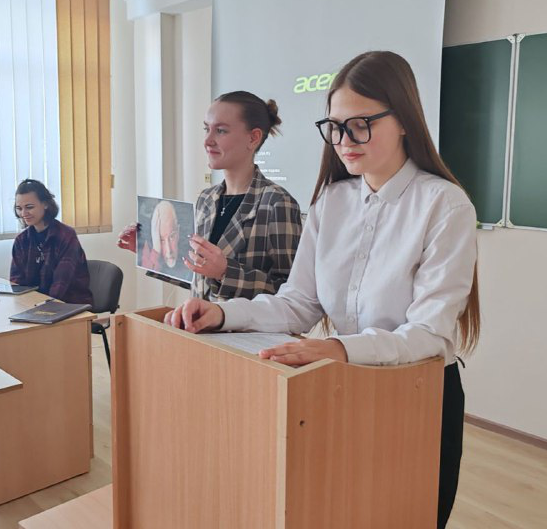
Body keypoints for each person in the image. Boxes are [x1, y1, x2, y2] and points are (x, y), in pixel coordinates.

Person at [165, 52, 480, 527]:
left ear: (404, 120)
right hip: (341, 386)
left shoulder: (444, 205)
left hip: (417, 397)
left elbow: (430, 334)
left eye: (361, 125)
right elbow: (299, 303)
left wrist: (338, 348)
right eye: (334, 127)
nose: (344, 141)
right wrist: (226, 314)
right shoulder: (332, 200)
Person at [118, 91, 303, 301]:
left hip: (243, 323)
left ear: (253, 138)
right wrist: (152, 252)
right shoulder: (206, 199)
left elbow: (292, 295)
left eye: (221, 131)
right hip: (199, 320)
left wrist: (225, 272)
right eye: (207, 129)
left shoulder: (277, 203)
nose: (207, 141)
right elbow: (199, 278)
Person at [10, 179, 93, 305]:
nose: (23, 213)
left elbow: (61, 284)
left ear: (45, 204)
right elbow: (17, 282)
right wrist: (24, 304)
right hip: (35, 304)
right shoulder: (21, 240)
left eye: (29, 207)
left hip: (68, 304)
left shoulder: (66, 236)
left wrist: (42, 306)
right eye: (19, 208)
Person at [139, 200, 180, 274]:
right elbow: (147, 275)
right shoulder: (146, 248)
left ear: (178, 232)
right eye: (162, 240)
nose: (169, 251)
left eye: (172, 237)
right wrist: (156, 250)